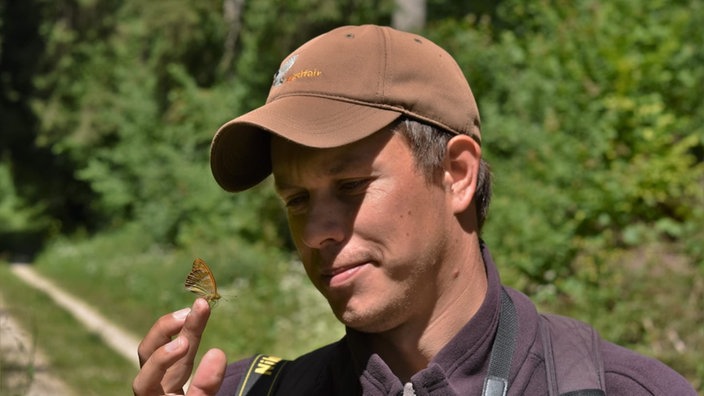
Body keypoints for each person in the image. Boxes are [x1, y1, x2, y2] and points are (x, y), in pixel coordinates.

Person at [132, 25, 696, 396]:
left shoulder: (620, 388)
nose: (317, 233)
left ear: (457, 174)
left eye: (351, 185)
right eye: (297, 200)